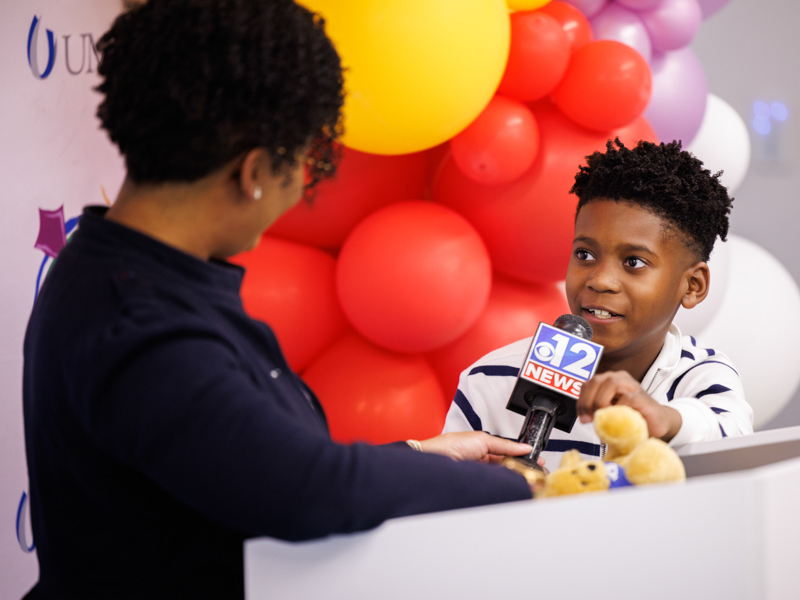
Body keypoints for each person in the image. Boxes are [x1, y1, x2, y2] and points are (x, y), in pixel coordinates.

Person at [21, 1, 539, 598]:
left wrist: (423, 455)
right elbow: (310, 491)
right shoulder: (140, 326)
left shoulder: (127, 273)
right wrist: (528, 489)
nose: (301, 187)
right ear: (257, 170)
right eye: (308, 162)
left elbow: (239, 462)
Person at [442, 139, 754, 467]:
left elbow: (733, 436)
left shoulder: (701, 376)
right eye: (585, 254)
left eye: (634, 262)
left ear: (692, 285)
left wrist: (664, 419)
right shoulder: (491, 379)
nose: (599, 280)